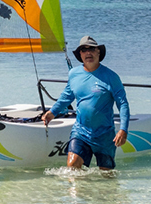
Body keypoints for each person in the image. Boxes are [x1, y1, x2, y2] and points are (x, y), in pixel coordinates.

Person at [41, 35, 129, 171]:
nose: (88, 53)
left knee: (106, 176)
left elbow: (122, 104)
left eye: (92, 49)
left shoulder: (111, 77)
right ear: (80, 54)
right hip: (81, 132)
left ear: (98, 52)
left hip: (105, 135)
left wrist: (123, 129)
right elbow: (66, 96)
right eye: (84, 50)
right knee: (72, 166)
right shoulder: (74, 74)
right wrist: (52, 112)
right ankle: (79, 192)